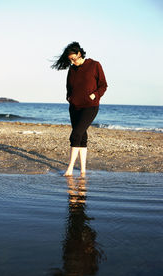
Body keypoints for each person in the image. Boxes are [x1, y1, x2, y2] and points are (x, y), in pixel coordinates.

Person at [52, 42, 107, 177]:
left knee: (75, 135)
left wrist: (95, 95)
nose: (72, 61)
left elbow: (103, 85)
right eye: (70, 59)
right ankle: (83, 170)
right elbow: (68, 86)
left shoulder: (94, 65)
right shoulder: (72, 69)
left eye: (73, 58)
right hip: (74, 107)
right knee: (82, 137)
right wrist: (69, 97)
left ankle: (70, 169)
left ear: (79, 54)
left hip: (90, 106)